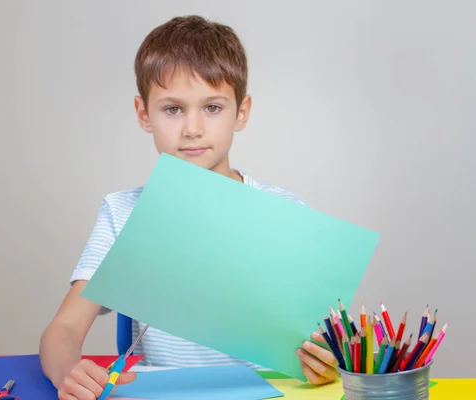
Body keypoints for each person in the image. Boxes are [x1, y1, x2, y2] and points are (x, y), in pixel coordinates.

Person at [39, 14, 339, 400]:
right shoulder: (124, 213)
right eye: (173, 109)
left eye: (212, 108)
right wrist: (67, 370)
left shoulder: (286, 212)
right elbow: (61, 332)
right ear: (144, 114)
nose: (192, 128)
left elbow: (322, 346)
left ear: (241, 112)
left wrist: (326, 361)